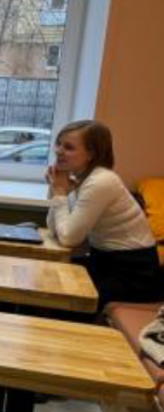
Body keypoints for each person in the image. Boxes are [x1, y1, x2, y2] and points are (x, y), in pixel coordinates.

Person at [46, 120, 164, 308]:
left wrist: (60, 193)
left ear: (91, 154)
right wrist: (56, 189)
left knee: (59, 296)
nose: (58, 151)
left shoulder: (101, 181)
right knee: (47, 276)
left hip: (133, 274)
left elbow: (68, 238)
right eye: (58, 143)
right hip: (105, 262)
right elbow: (55, 229)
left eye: (68, 147)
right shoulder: (81, 179)